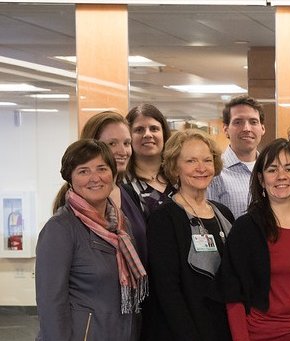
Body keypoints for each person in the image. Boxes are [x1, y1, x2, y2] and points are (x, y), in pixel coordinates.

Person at [37, 140, 148, 340]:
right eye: (83, 171)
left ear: (113, 174)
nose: (95, 178)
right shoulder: (60, 228)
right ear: (70, 179)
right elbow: (50, 304)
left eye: (102, 168)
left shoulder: (122, 225)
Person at [220, 139, 290, 341]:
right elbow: (233, 294)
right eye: (272, 170)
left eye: (289, 168)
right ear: (261, 179)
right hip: (259, 335)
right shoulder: (245, 228)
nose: (281, 176)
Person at [145, 129, 234, 341]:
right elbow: (167, 292)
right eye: (191, 161)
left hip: (224, 328)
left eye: (207, 160)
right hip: (184, 332)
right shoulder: (163, 219)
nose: (201, 168)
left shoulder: (224, 213)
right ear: (175, 167)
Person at [78, 111, 148, 262]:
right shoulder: (78, 200)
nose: (122, 151)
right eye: (112, 144)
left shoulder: (131, 193)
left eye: (127, 143)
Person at [208, 95, 267, 218]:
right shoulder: (214, 173)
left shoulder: (271, 169)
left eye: (253, 122)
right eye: (238, 122)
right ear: (225, 129)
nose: (246, 128)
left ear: (262, 128)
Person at [123, 103, 175, 216]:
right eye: (139, 130)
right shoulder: (122, 183)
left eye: (154, 129)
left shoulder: (178, 178)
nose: (147, 134)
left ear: (164, 134)